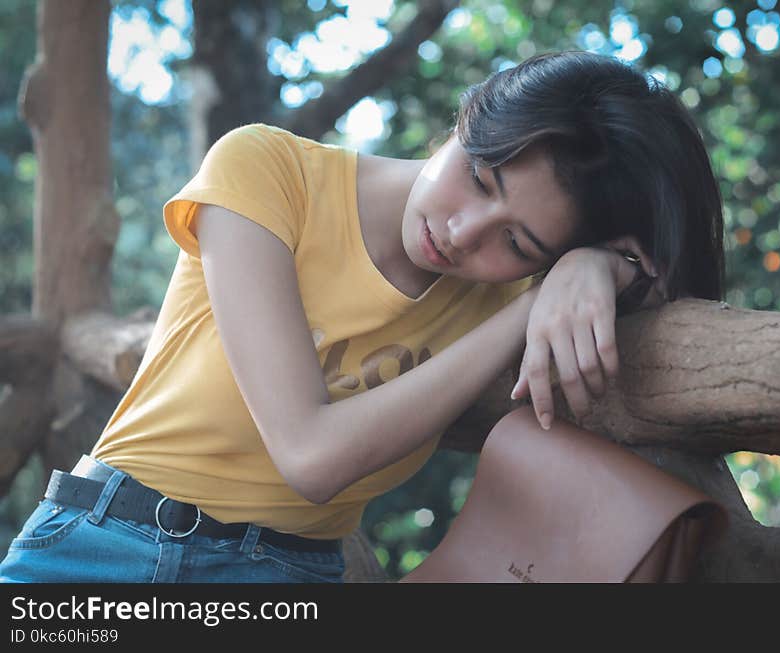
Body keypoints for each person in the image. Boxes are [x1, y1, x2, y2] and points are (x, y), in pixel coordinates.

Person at [0, 51, 723, 583]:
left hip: (289, 580)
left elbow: (664, 304)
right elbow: (310, 456)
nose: (464, 231)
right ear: (464, 119)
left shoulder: (521, 293)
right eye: (478, 177)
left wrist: (595, 265)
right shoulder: (266, 171)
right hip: (103, 545)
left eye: (518, 242)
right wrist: (534, 298)